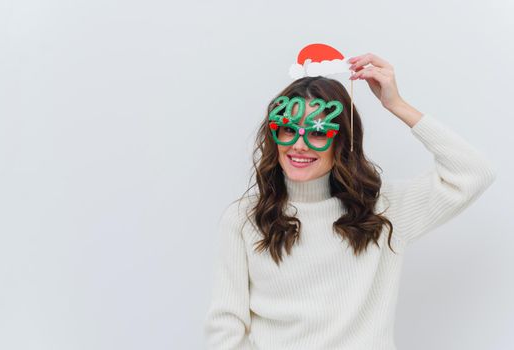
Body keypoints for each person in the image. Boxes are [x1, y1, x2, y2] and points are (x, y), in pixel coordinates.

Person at [203, 53, 497, 349]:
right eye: (289, 129)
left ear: (343, 141)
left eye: (319, 132)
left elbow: (474, 172)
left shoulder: (383, 210)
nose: (299, 144)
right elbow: (226, 327)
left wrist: (396, 104)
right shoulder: (244, 218)